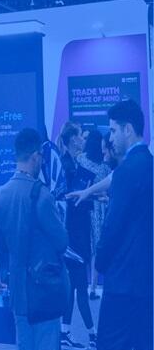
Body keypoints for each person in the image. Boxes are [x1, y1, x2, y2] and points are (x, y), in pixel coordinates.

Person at [0, 128, 82, 350]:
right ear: (34, 157)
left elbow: (1, 248)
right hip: (44, 293)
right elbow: (61, 241)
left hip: (19, 294)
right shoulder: (40, 195)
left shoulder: (1, 194)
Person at [93, 99, 153, 350]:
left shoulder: (128, 169)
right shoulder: (150, 165)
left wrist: (99, 261)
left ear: (128, 129)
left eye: (114, 130)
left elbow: (113, 228)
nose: (110, 136)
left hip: (122, 284)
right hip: (147, 283)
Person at [57, 123, 96, 350]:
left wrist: (93, 196)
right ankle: (91, 335)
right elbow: (69, 201)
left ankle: (68, 333)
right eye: (81, 135)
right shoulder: (66, 167)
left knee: (75, 285)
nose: (84, 139)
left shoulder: (73, 165)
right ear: (73, 139)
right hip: (73, 236)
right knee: (79, 285)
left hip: (78, 233)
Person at [77, 128, 112, 301]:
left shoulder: (80, 159)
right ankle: (93, 286)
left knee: (84, 246)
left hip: (83, 206)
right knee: (96, 248)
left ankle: (82, 285)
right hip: (100, 208)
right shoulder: (105, 167)